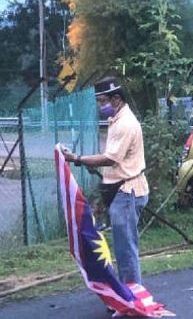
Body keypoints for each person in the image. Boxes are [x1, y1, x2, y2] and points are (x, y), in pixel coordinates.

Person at [62, 77, 149, 285]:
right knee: (122, 246)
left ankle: (131, 298)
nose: (101, 106)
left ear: (116, 98)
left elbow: (111, 158)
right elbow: (114, 158)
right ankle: (126, 293)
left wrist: (78, 159)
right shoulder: (116, 120)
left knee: (125, 249)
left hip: (127, 192)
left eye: (103, 101)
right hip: (120, 190)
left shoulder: (125, 124)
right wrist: (93, 165)